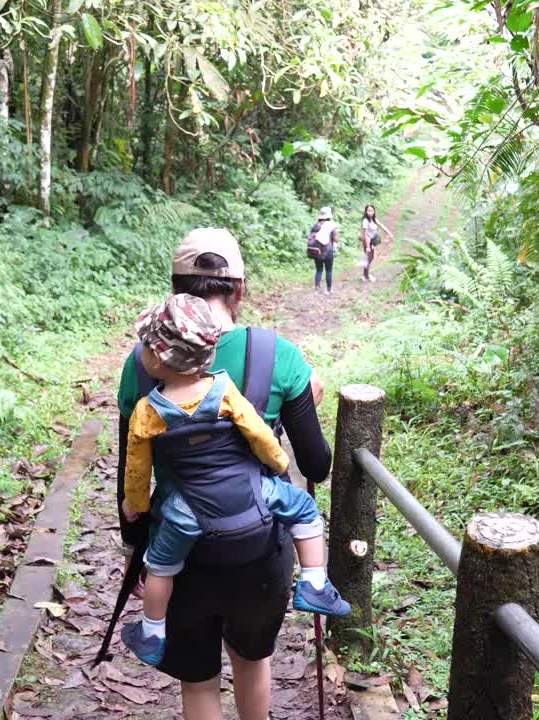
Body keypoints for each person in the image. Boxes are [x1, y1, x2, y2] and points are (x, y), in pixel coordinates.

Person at [115, 227, 333, 720]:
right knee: (253, 664)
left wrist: (136, 544)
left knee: (198, 684)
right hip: (258, 549)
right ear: (238, 289)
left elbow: (129, 471)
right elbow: (317, 464)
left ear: (175, 288)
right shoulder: (279, 355)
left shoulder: (141, 363)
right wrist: (305, 403)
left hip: (181, 552)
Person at [359, 204, 395, 283]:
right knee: (368, 258)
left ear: (374, 211)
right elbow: (365, 234)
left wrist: (388, 232)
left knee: (370, 258)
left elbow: (381, 225)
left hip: (372, 241)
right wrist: (367, 246)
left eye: (372, 210)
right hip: (367, 242)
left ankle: (365, 274)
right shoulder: (365, 221)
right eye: (368, 210)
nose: (370, 212)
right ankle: (366, 276)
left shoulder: (374, 219)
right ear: (366, 212)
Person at [310, 207, 340, 294]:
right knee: (329, 270)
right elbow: (336, 239)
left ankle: (317, 287)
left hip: (317, 250)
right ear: (329, 215)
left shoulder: (316, 225)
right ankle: (329, 289)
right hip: (328, 251)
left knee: (319, 269)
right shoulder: (332, 225)